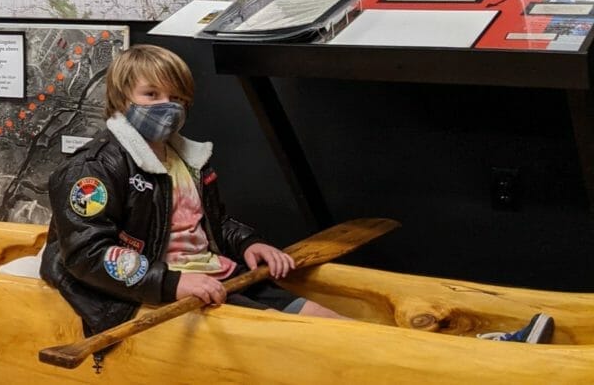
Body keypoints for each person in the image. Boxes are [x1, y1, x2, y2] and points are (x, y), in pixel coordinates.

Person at [40, 45, 553, 344]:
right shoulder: (92, 171)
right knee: (317, 341)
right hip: (153, 296)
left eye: (176, 97)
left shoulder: (185, 158)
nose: (167, 106)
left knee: (331, 324)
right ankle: (481, 358)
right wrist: (170, 283)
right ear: (121, 98)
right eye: (151, 95)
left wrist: (249, 245)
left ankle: (484, 350)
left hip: (220, 275)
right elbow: (88, 253)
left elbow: (208, 225)